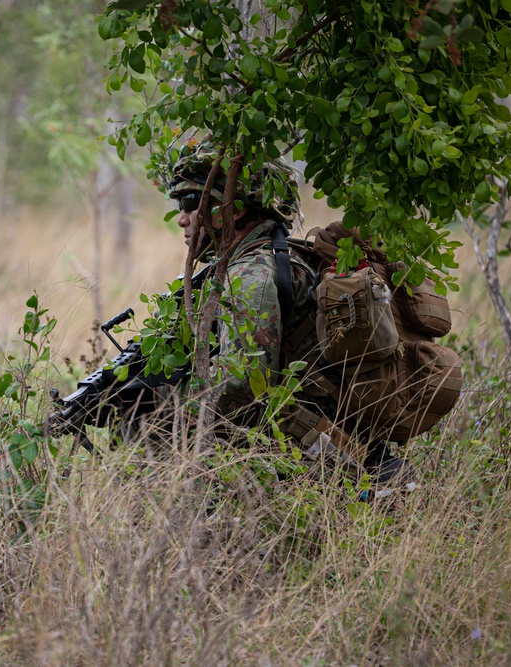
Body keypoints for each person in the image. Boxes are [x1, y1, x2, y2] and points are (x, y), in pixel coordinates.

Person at [163, 140, 414, 491]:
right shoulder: (276, 255)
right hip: (328, 445)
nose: (182, 218)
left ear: (234, 209)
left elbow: (243, 381)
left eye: (192, 203)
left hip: (319, 455)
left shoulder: (252, 274)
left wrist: (164, 404)